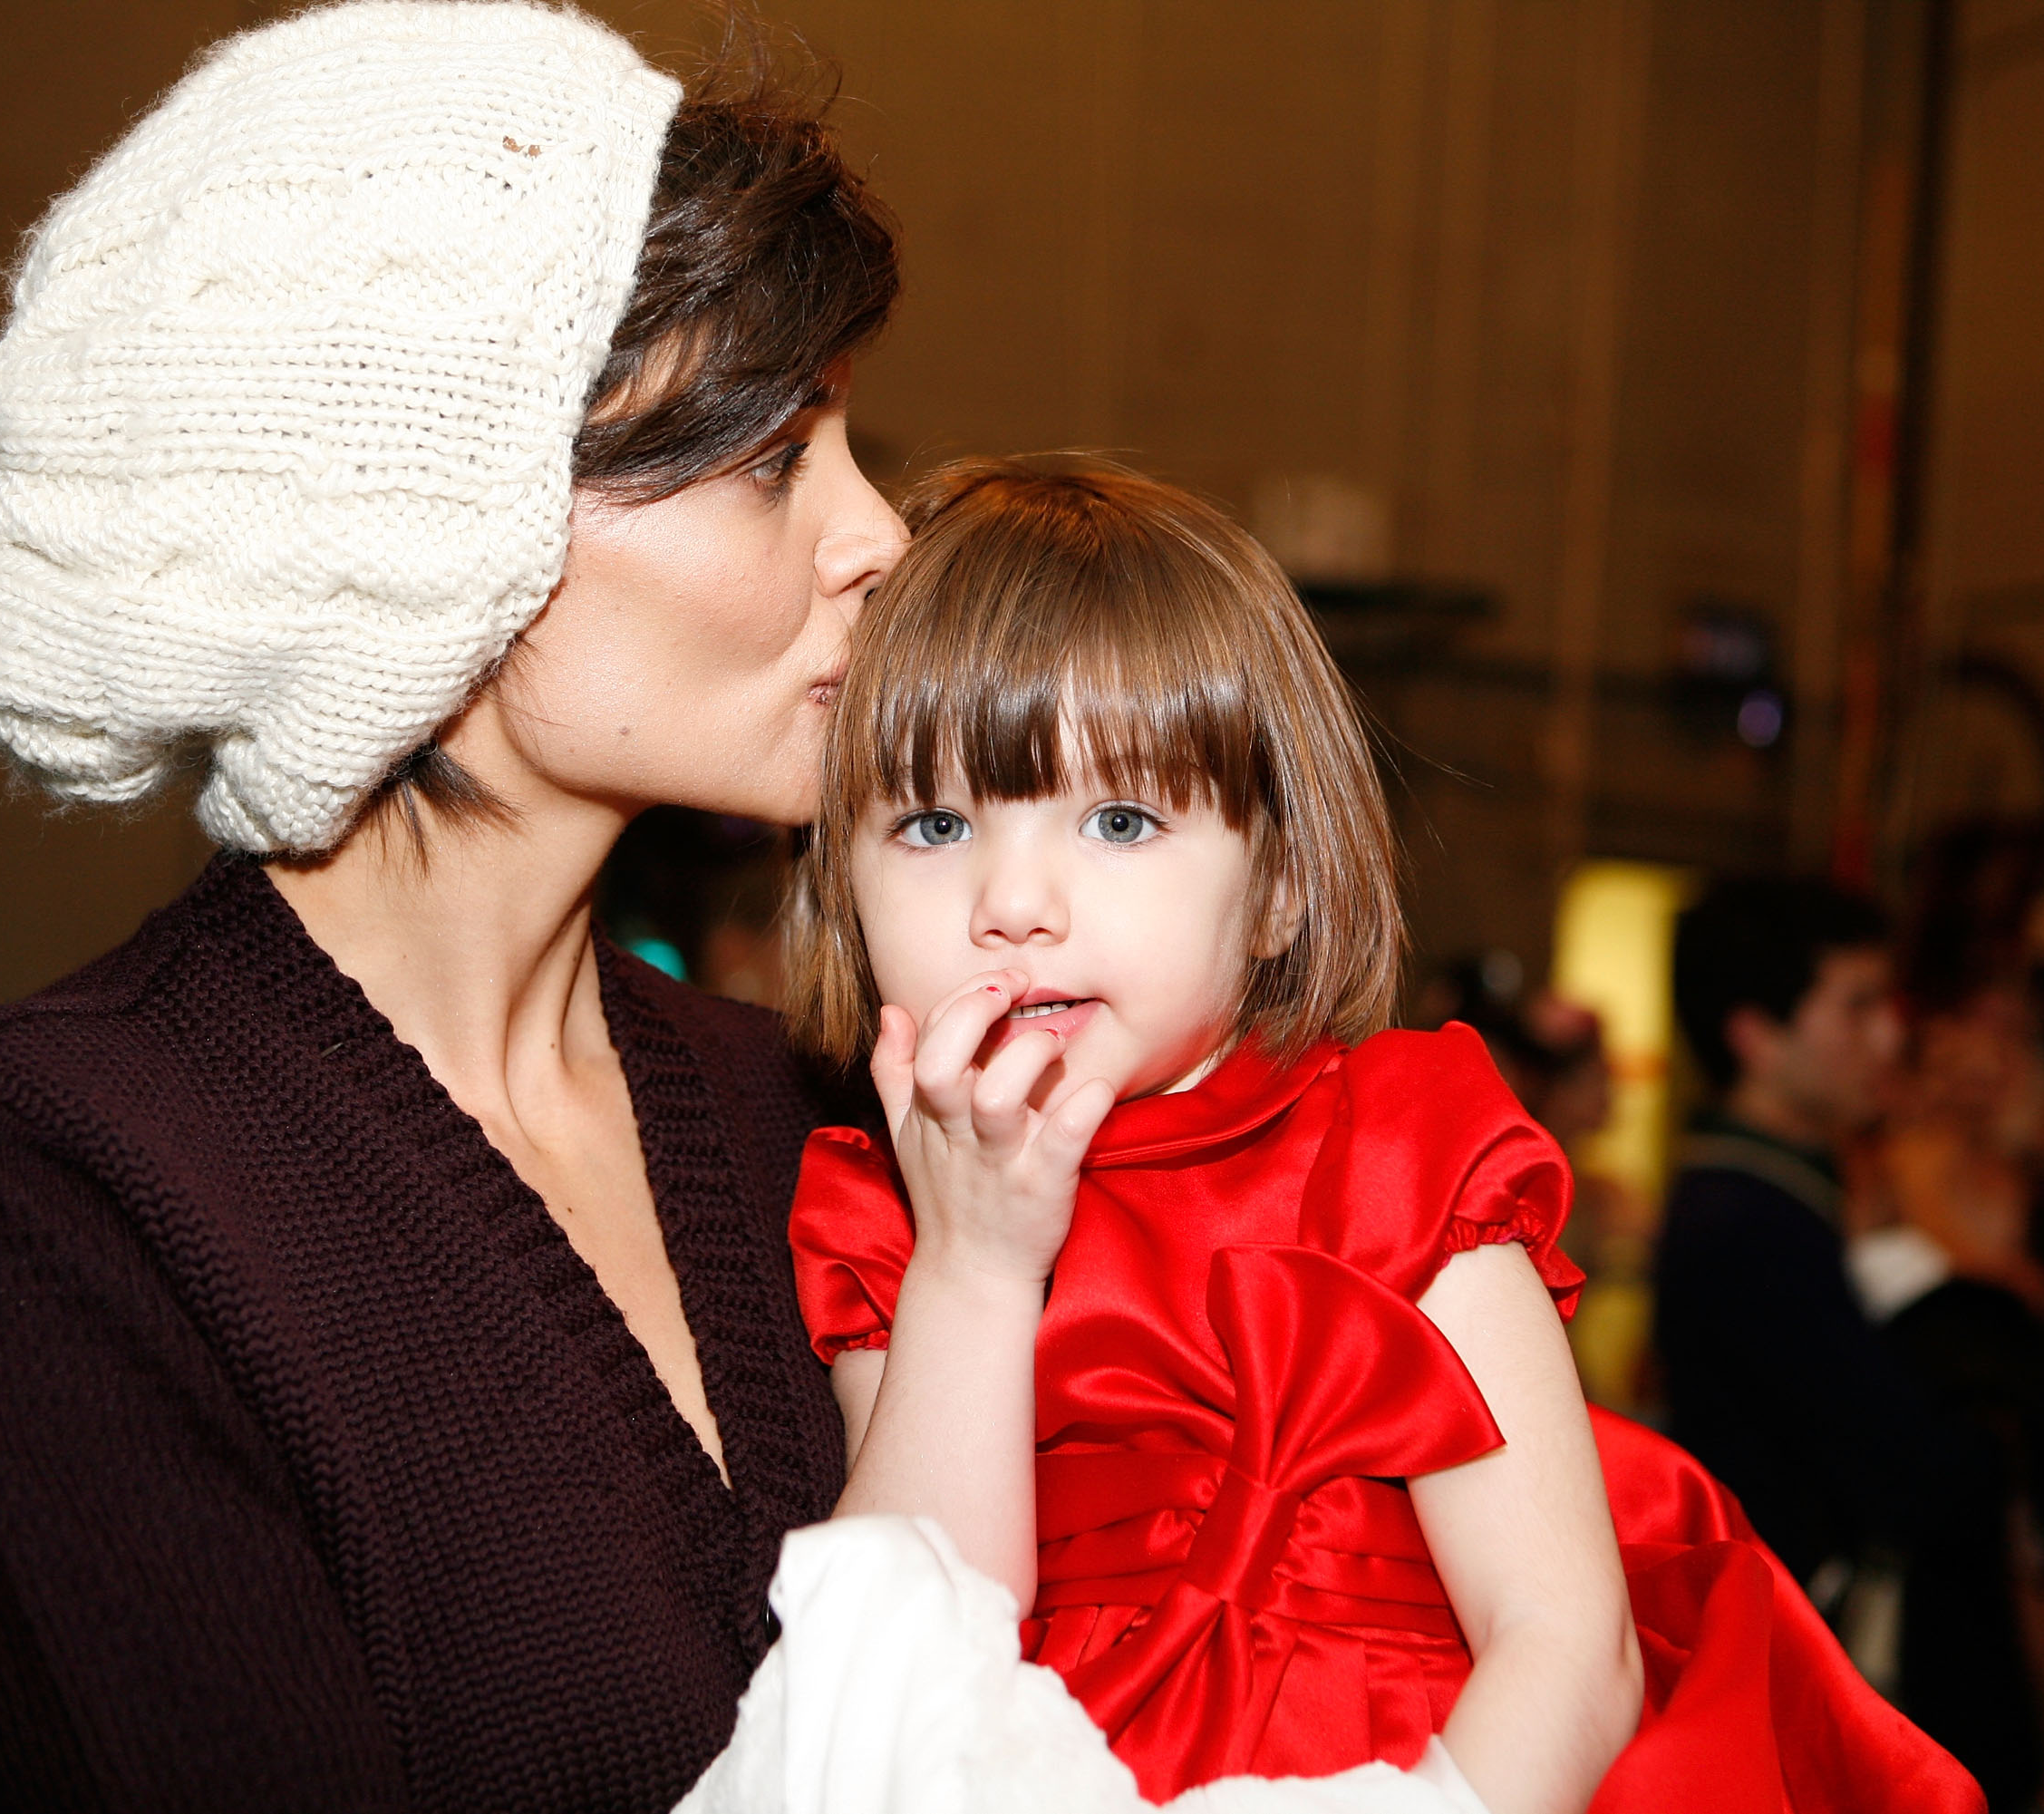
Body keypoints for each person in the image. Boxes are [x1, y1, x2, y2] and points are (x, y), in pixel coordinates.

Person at [0, 6, 905, 1808]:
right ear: (433, 523)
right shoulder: (39, 1180)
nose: (879, 537)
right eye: (779, 458)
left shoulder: (814, 1106)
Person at [782, 459, 1981, 1812]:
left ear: (1283, 885)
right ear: (840, 880)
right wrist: (976, 1266)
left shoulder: (1396, 1144)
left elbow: (1567, 1648)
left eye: (1118, 820)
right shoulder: (885, 1202)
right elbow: (900, 1672)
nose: (1012, 901)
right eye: (934, 824)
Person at [1654, 879, 1930, 1610]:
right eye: (1857, 1006)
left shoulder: (1787, 1186)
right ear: (1756, 1037)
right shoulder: (1746, 1218)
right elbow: (1895, 1453)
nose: (1891, 1035)